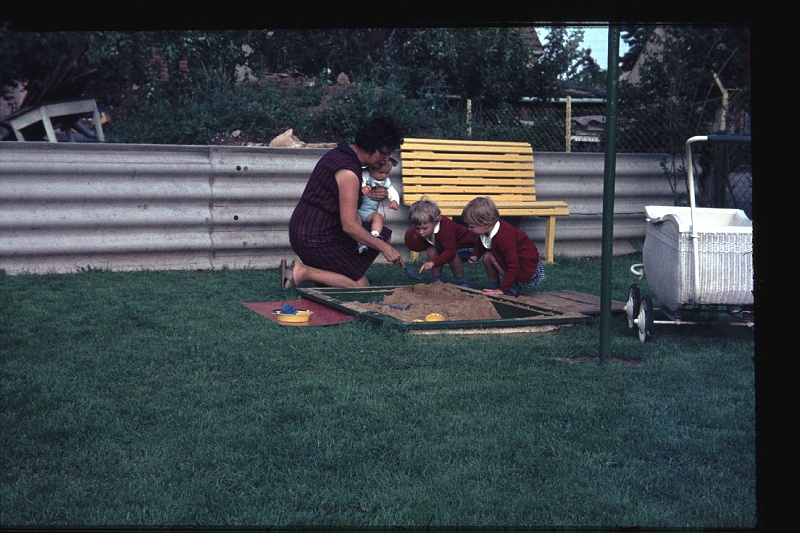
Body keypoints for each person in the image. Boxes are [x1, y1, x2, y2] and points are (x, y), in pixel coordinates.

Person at [283, 115, 406, 289]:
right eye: (384, 153)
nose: (386, 159)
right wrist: (386, 249)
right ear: (371, 145)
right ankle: (303, 272)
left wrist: (377, 194)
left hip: (310, 226)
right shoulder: (348, 172)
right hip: (313, 236)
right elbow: (349, 225)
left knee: (382, 235)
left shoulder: (344, 153)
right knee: (360, 287)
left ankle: (327, 275)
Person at [460, 196, 546, 296]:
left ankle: (513, 287)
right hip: (513, 261)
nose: (469, 229)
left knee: (492, 257)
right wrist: (476, 255)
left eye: (471, 226)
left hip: (526, 265)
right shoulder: (487, 230)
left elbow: (513, 265)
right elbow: (482, 243)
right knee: (487, 256)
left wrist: (502, 290)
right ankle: (494, 287)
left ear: (485, 224)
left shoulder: (504, 237)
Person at [404, 197, 475, 288]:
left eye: (425, 228)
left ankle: (462, 281)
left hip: (466, 247)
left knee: (452, 255)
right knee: (431, 249)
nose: (421, 232)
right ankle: (437, 280)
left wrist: (432, 263)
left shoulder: (446, 228)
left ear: (435, 222)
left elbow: (450, 252)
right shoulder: (429, 227)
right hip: (446, 246)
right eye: (417, 228)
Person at [356, 157, 401, 254]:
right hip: (358, 211)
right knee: (356, 221)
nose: (383, 175)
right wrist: (363, 187)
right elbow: (358, 181)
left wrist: (394, 200)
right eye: (380, 172)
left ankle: (375, 234)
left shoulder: (386, 181)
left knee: (379, 217)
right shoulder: (366, 174)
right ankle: (360, 242)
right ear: (371, 168)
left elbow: (392, 191)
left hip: (370, 213)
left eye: (387, 173)